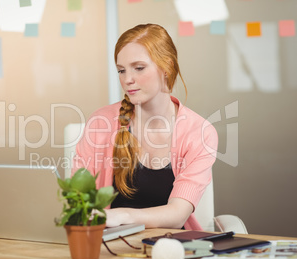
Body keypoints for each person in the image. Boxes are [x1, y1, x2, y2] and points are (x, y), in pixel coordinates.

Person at [72, 23, 218, 230]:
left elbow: (177, 214)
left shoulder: (200, 132)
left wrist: (119, 216)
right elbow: (78, 200)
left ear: (166, 67)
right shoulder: (100, 123)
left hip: (173, 249)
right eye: (121, 71)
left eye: (139, 68)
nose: (127, 79)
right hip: (110, 247)